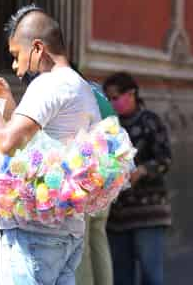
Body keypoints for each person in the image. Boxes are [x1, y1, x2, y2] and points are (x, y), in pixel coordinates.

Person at [0, 5, 101, 285]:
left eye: (16, 56)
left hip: (34, 234)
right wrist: (10, 108)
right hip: (66, 231)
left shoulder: (48, 85)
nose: (14, 66)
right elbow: (42, 143)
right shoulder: (79, 86)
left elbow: (8, 143)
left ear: (37, 48)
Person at [103, 72, 172, 285]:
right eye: (109, 99)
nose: (114, 103)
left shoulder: (150, 121)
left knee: (151, 274)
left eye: (116, 97)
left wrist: (141, 170)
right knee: (121, 275)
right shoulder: (108, 127)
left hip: (148, 213)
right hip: (118, 215)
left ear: (131, 93)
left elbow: (165, 159)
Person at [75, 82, 114, 285]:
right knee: (99, 240)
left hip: (83, 179)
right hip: (107, 175)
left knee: (80, 250)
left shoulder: (69, 91)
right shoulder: (97, 91)